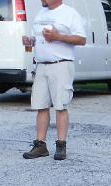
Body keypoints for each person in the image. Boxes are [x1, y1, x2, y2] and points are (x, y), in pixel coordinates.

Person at [21, 0, 86, 161]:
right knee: (41, 105)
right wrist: (30, 41)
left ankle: (61, 145)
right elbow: (38, 38)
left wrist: (58, 37)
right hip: (41, 64)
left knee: (60, 105)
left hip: (61, 64)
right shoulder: (41, 13)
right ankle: (40, 144)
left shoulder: (69, 13)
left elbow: (82, 39)